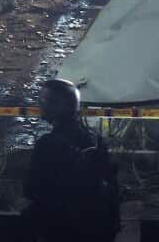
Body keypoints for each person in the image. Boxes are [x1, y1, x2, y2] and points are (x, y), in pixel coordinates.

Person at [22, 79, 121, 242]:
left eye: (43, 101)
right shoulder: (96, 141)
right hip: (96, 229)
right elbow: (111, 186)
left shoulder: (47, 144)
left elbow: (33, 190)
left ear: (56, 106)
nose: (40, 106)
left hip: (61, 230)